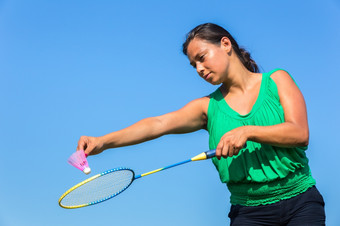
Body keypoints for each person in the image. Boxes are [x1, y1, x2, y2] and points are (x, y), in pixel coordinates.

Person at [77, 23, 325, 225]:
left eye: (202, 58)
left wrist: (248, 131)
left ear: (225, 44)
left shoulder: (277, 81)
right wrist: (103, 141)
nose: (199, 68)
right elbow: (158, 124)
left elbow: (299, 133)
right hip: (248, 214)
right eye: (193, 65)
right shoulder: (208, 107)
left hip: (301, 203)